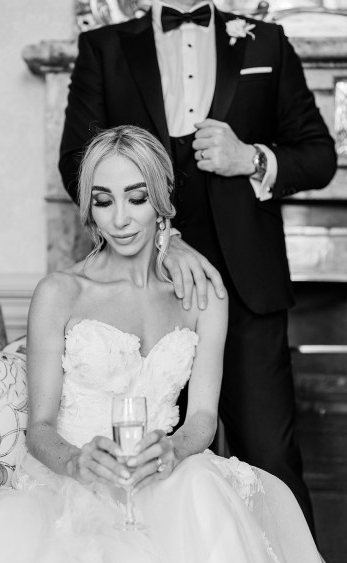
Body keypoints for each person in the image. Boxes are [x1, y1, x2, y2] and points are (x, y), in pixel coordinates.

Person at [0, 126, 344, 563]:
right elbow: (39, 427)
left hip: (167, 475)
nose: (120, 219)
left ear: (161, 199)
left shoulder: (203, 296)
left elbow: (201, 417)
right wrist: (77, 461)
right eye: (103, 201)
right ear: (88, 209)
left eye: (136, 198)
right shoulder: (60, 293)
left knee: (200, 490)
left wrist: (175, 451)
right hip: (75, 482)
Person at [58, 0, 338, 534]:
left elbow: (320, 155)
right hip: (141, 293)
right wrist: (163, 237)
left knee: (271, 461)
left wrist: (251, 158)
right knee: (151, 461)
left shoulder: (266, 42)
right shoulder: (107, 46)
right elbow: (77, 160)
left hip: (248, 287)